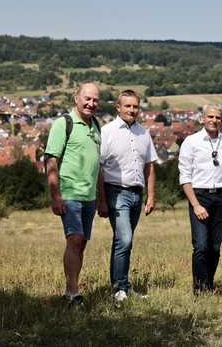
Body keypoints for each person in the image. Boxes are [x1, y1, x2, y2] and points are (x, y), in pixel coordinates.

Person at [178, 103, 222, 294]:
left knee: (215, 247)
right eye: (210, 117)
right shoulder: (191, 142)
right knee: (201, 246)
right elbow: (185, 177)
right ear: (202, 118)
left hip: (221, 197)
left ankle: (208, 284)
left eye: (218, 118)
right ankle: (200, 289)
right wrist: (195, 205)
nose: (214, 121)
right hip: (199, 196)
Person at [97, 90, 158, 302]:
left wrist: (151, 196)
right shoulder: (107, 132)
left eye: (135, 106)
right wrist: (101, 200)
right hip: (115, 192)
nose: (132, 110)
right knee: (125, 239)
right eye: (128, 106)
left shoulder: (144, 132)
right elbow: (99, 168)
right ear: (118, 108)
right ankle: (121, 287)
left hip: (137, 194)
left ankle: (119, 287)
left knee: (123, 242)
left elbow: (149, 166)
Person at [45, 83, 101, 308]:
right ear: (76, 98)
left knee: (82, 243)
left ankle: (71, 289)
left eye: (95, 100)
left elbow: (97, 164)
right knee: (74, 240)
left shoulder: (96, 124)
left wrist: (100, 197)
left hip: (89, 197)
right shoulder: (63, 124)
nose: (91, 104)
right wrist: (56, 196)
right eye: (87, 99)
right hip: (69, 194)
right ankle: (74, 293)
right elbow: (50, 161)